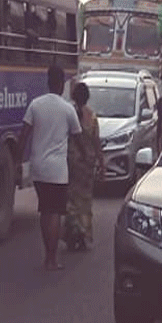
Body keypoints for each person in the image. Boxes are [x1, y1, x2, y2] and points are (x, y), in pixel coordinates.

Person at [17, 65, 82, 270]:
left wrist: (18, 160)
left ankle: (48, 257)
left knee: (45, 211)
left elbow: (24, 135)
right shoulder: (67, 109)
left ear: (47, 82)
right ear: (61, 84)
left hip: (38, 168)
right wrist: (85, 158)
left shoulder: (35, 105)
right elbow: (78, 138)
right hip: (57, 171)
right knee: (55, 214)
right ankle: (52, 259)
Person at [64, 82, 103, 251]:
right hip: (87, 165)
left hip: (72, 163)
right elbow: (96, 142)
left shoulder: (69, 114)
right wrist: (102, 163)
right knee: (85, 202)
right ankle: (83, 234)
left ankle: (71, 233)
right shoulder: (92, 117)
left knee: (71, 200)